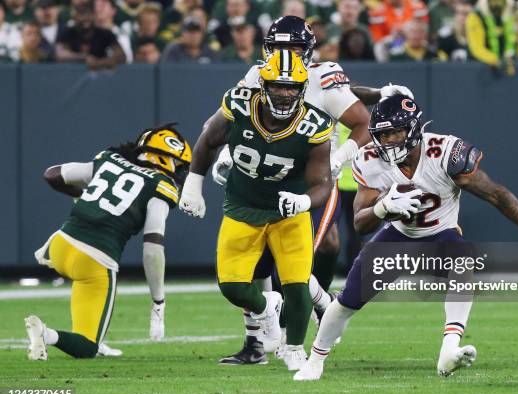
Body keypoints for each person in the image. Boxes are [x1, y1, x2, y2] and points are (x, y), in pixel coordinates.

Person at [294, 95, 518, 380]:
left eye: (396, 132)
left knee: (463, 261)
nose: (389, 140)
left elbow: (495, 194)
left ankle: (449, 349)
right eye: (383, 134)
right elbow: (359, 223)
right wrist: (383, 207)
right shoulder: (370, 160)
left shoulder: (445, 152)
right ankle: (315, 360)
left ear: (414, 129)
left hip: (440, 236)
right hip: (399, 237)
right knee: (346, 302)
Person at [208, 15, 412, 366]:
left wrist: (343, 154)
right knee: (255, 264)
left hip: (311, 178)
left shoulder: (324, 74)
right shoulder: (259, 75)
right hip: (265, 176)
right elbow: (240, 117)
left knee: (314, 250)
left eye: (295, 48)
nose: (287, 55)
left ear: (308, 50)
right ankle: (259, 341)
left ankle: (316, 307)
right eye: (281, 48)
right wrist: (229, 151)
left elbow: (338, 99)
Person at [179, 49, 334, 372]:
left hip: (287, 211)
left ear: (303, 89)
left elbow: (322, 181)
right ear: (263, 84)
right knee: (231, 285)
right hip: (243, 205)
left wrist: (304, 201)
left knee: (296, 283)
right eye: (277, 85)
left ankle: (294, 348)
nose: (284, 92)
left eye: (292, 87)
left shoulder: (313, 124)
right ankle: (266, 307)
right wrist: (194, 183)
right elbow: (208, 141)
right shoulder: (239, 104)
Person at [25, 124, 192, 360]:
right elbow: (152, 250)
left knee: (92, 322)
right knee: (86, 348)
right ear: (166, 158)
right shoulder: (161, 187)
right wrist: (158, 302)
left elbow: (52, 174)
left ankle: (96, 336)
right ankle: (46, 334)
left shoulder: (109, 160)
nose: (180, 171)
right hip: (94, 260)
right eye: (180, 164)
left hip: (60, 246)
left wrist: (83, 196)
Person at [55, 1, 126, 69]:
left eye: (89, 14)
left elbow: (121, 55)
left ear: (95, 16)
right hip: (73, 75)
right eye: (81, 14)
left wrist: (101, 62)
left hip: (101, 74)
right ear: (75, 17)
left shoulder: (105, 33)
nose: (86, 18)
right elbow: (59, 55)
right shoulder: (68, 32)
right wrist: (83, 58)